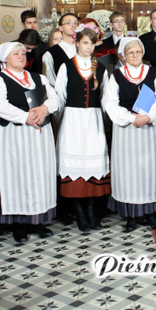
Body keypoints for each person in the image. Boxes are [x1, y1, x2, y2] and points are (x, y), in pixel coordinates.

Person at [0, 42, 59, 242]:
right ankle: (18, 223)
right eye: (15, 53)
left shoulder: (38, 77)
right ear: (4, 59)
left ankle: (37, 219)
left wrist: (44, 109)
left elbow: (55, 98)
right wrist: (25, 117)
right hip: (14, 135)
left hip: (39, 135)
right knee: (16, 175)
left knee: (39, 174)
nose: (21, 56)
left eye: (23, 52)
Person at [103, 37, 156, 232]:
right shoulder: (116, 75)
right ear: (124, 56)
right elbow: (111, 104)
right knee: (129, 172)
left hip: (150, 130)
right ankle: (131, 216)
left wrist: (147, 117)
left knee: (151, 170)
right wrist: (131, 118)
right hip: (127, 131)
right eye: (130, 52)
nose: (134, 55)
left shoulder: (154, 73)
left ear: (143, 53)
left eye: (138, 52)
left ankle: (150, 213)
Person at [55, 26, 111, 232]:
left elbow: (106, 99)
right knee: (74, 164)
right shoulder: (66, 66)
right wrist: (60, 121)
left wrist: (105, 119)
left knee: (93, 164)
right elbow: (59, 97)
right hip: (73, 120)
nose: (89, 47)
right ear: (77, 42)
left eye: (92, 43)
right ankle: (79, 213)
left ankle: (91, 212)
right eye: (85, 42)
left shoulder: (101, 69)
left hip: (93, 121)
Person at [42, 13, 78, 86]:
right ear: (60, 28)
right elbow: (50, 81)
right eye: (68, 23)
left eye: (75, 23)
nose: (73, 25)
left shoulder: (83, 48)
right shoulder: (50, 54)